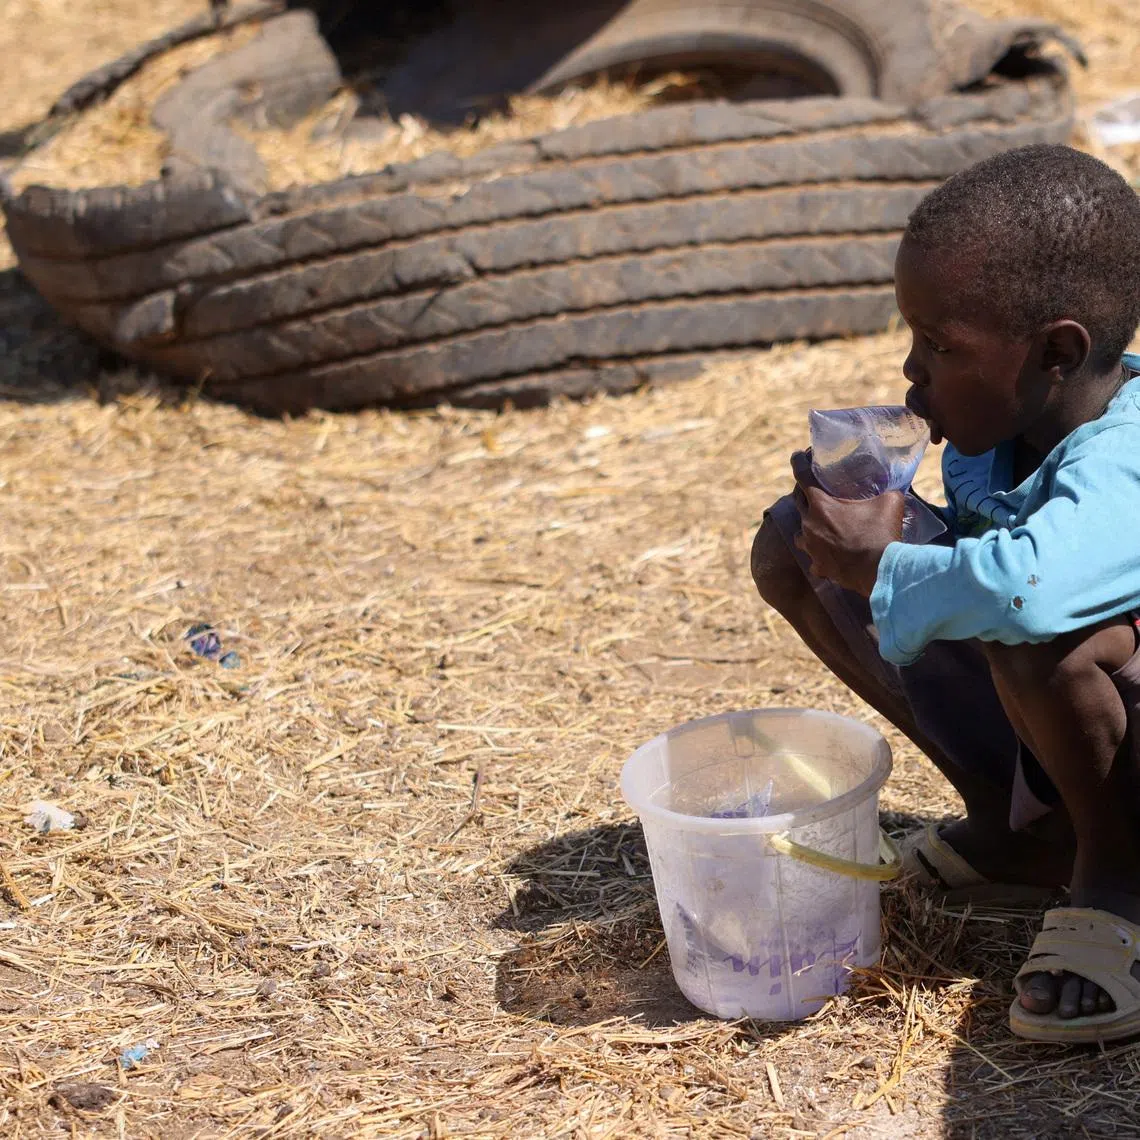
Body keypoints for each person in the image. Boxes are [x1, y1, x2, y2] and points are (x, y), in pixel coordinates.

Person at [751, 143, 1140, 1043]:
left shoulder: (1126, 455)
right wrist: (857, 532)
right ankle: (1020, 834)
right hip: (1084, 716)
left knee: (1041, 627)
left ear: (1056, 351)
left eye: (941, 344)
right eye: (914, 336)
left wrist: (886, 563)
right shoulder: (994, 433)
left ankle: (1118, 879)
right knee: (790, 545)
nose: (910, 371)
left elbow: (1029, 594)